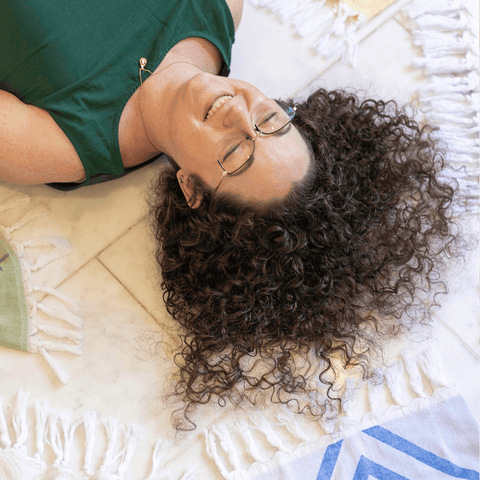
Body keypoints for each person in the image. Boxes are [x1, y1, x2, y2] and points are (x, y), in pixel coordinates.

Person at [1, 0, 460, 429]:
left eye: (238, 153)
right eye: (272, 122)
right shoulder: (221, 7)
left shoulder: (60, 144)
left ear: (190, 189)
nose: (240, 115)